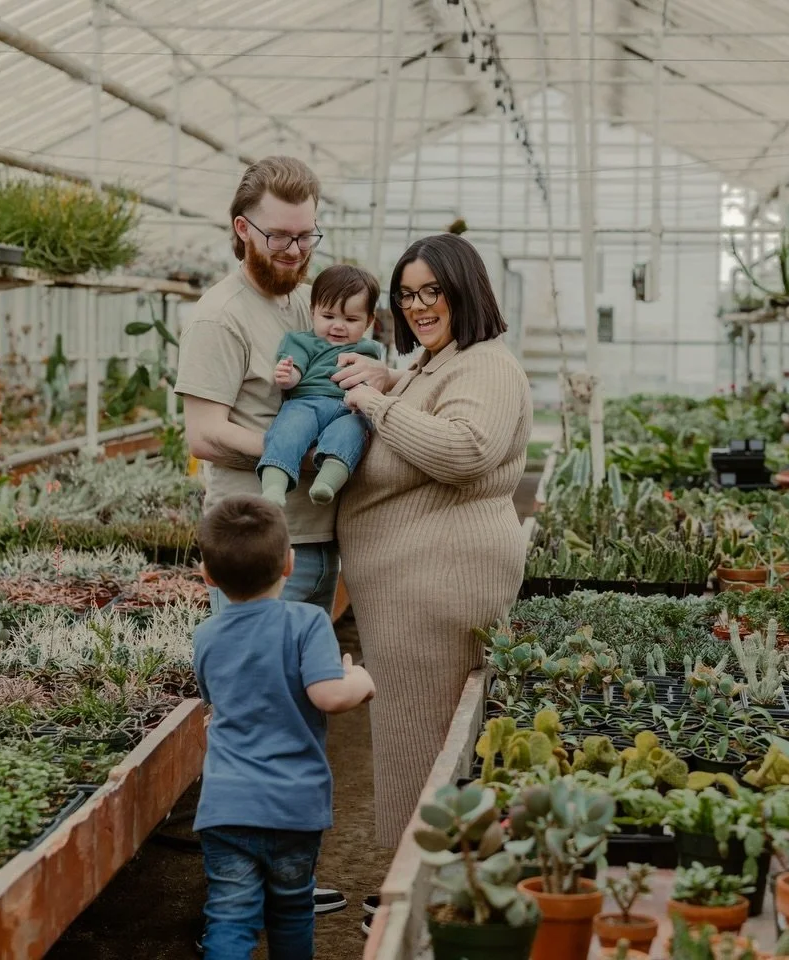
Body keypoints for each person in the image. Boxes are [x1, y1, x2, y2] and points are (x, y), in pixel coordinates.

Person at [174, 155, 361, 916]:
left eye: (307, 236)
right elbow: (206, 431)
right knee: (251, 718)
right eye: (281, 238)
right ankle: (233, 894)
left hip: (312, 540)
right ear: (240, 228)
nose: (295, 252)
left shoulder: (300, 302)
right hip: (255, 546)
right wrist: (292, 448)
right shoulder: (220, 316)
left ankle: (288, 878)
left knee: (303, 712)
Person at [336, 233, 533, 856]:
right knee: (408, 735)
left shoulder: (489, 363)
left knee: (421, 740)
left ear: (464, 291)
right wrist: (392, 380)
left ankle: (416, 888)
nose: (418, 306)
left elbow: (464, 447)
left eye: (432, 292)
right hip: (412, 592)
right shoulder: (441, 360)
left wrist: (373, 403)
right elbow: (437, 399)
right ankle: (416, 880)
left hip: (438, 587)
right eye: (406, 294)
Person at [193, 495, 376, 960]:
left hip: (226, 806)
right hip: (292, 805)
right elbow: (329, 696)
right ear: (290, 564)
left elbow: (216, 699)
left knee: (230, 916)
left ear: (207, 576)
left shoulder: (206, 635)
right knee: (292, 910)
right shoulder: (307, 622)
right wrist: (359, 680)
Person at [258, 265, 384, 507]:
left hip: (350, 409)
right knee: (288, 430)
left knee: (351, 432)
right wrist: (288, 375)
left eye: (351, 319)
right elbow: (296, 370)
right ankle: (274, 485)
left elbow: (375, 383)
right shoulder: (303, 342)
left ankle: (327, 481)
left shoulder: (369, 351)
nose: (338, 326)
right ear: (313, 311)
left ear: (369, 321)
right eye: (328, 317)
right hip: (307, 403)